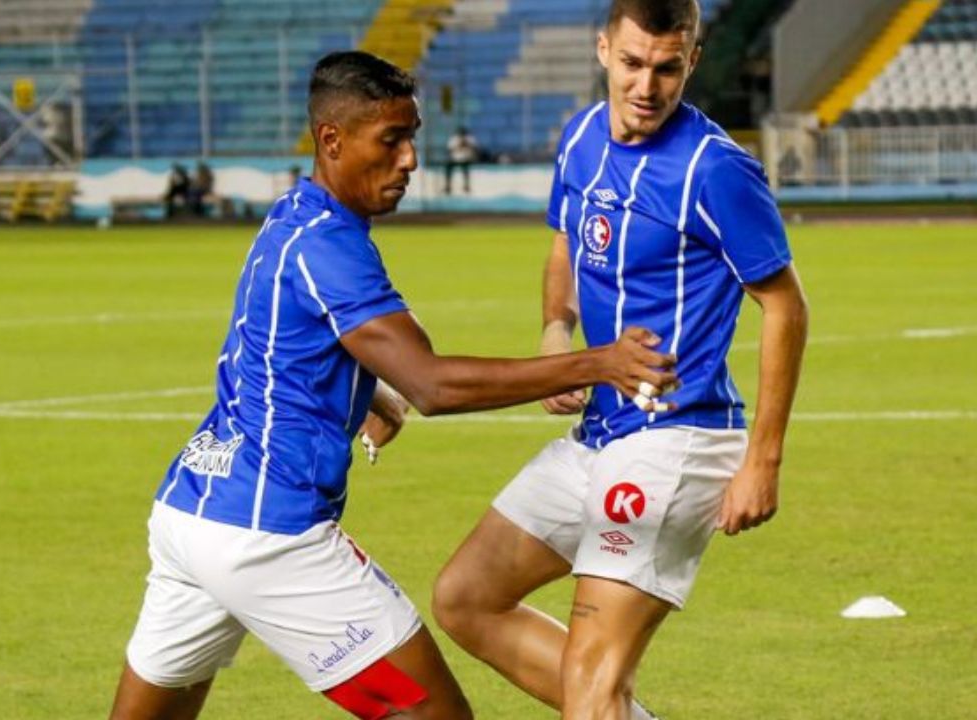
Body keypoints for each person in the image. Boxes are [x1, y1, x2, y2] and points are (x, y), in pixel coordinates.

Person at [109, 50, 679, 720]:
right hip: (268, 535)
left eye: (412, 138)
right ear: (332, 139)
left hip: (191, 513)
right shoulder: (331, 248)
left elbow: (269, 346)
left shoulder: (294, 216)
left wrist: (369, 394)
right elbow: (433, 384)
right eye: (391, 140)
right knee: (434, 715)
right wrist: (596, 363)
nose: (409, 159)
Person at [431, 2, 809, 719]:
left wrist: (763, 460)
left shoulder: (716, 170)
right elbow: (565, 244)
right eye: (633, 63)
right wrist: (556, 330)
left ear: (692, 62)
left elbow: (787, 307)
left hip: (675, 438)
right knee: (466, 598)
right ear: (604, 50)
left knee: (593, 685)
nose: (647, 86)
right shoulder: (579, 138)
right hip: (600, 433)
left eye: (668, 68)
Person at [444, 126, 478, 195]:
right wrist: (458, 146)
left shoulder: (470, 139)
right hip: (455, 159)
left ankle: (466, 186)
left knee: (465, 168)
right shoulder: (454, 139)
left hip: (466, 159)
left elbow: (475, 149)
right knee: (448, 167)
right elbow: (449, 150)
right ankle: (448, 186)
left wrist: (467, 145)